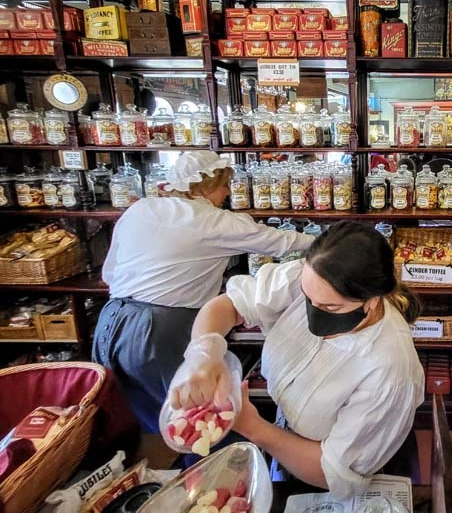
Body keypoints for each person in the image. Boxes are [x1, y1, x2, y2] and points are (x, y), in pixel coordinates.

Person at [170, 221, 425, 499]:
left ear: (372, 301)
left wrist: (252, 426)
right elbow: (229, 305)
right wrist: (204, 354)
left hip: (339, 473)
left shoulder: (388, 368)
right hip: (285, 442)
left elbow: (332, 473)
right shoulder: (312, 279)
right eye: (307, 298)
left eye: (330, 307)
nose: (313, 311)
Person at [93, 152, 314, 433]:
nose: (227, 193)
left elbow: (109, 273)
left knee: (136, 417)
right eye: (225, 186)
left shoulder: (141, 209)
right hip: (159, 330)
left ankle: (156, 471)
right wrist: (331, 241)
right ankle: (214, 473)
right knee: (202, 421)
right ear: (208, 186)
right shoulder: (212, 221)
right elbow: (282, 241)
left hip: (110, 321)